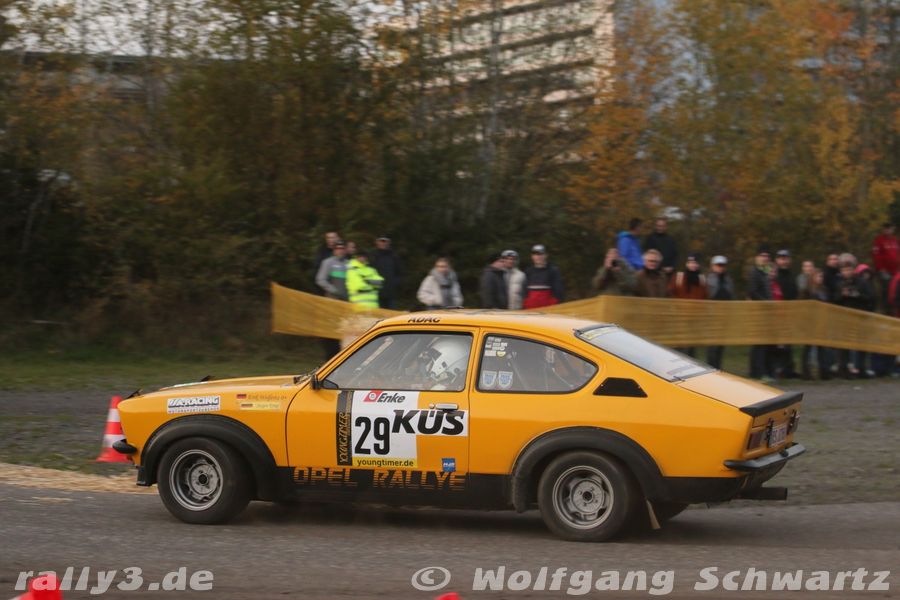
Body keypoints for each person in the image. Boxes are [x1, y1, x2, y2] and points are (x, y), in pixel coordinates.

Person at [834, 254, 873, 377]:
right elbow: (834, 300)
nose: (847, 272)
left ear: (853, 270)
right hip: (844, 319)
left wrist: (857, 295)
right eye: (844, 270)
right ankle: (843, 369)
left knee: (862, 344)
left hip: (860, 318)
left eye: (849, 269)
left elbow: (870, 298)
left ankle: (861, 368)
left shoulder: (862, 282)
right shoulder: (840, 284)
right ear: (841, 271)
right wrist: (842, 295)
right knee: (844, 345)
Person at [314, 239, 348, 358]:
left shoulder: (349, 263)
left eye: (342, 248)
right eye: (338, 249)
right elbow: (320, 279)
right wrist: (333, 290)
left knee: (344, 330)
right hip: (332, 301)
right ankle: (330, 355)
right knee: (331, 329)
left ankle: (342, 355)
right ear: (334, 250)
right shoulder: (328, 262)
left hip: (346, 302)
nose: (340, 251)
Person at [668, 254, 706, 357]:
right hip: (679, 317)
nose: (692, 265)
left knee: (691, 345)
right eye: (690, 262)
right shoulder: (679, 277)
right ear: (686, 264)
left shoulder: (702, 279)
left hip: (694, 318)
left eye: (695, 263)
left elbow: (705, 296)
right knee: (678, 345)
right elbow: (670, 292)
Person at [772, 249, 800, 378]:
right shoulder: (774, 276)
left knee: (788, 343)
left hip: (789, 313)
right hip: (777, 314)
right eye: (781, 258)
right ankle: (778, 368)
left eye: (786, 258)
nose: (783, 260)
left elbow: (794, 293)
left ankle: (788, 369)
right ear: (777, 260)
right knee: (778, 344)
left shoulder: (791, 275)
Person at [748, 245, 774, 381]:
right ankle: (757, 373)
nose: (765, 258)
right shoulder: (755, 272)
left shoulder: (765, 273)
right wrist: (765, 303)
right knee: (759, 344)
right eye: (762, 256)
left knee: (764, 344)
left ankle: (761, 371)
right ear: (756, 258)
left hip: (766, 313)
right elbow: (752, 292)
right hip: (759, 312)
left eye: (767, 256)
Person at [705, 255, 733, 369]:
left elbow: (730, 295)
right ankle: (711, 367)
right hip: (712, 315)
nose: (720, 267)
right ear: (712, 266)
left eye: (723, 265)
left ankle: (718, 367)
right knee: (712, 345)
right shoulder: (708, 278)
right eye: (718, 265)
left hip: (724, 315)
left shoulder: (728, 280)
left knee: (721, 344)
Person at [872, 222, 899, 312]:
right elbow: (876, 256)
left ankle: (894, 310)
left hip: (895, 271)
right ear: (883, 229)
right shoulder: (879, 240)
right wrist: (881, 269)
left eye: (889, 228)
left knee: (895, 290)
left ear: (892, 229)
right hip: (884, 271)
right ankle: (885, 310)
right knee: (886, 290)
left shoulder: (895, 240)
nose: (888, 230)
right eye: (886, 228)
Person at [372, 236, 403, 309]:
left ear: (389, 243)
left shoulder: (394, 257)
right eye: (381, 241)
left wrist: (395, 283)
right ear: (377, 242)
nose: (383, 243)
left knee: (392, 314)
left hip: (391, 293)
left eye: (385, 241)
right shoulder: (372, 256)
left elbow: (400, 273)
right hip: (376, 293)